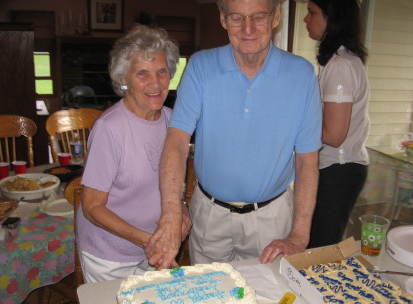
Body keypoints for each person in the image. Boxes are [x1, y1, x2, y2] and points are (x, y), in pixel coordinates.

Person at [146, 0, 323, 269]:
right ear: (223, 18)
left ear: (275, 16)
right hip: (208, 214)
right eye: (237, 17)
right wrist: (171, 213)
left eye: (258, 17)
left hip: (272, 217)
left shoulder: (302, 74)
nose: (248, 28)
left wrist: (299, 235)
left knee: (269, 302)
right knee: (210, 302)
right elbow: (177, 141)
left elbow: (307, 161)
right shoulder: (200, 66)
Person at [76, 25, 189, 283]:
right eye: (142, 74)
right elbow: (92, 207)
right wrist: (148, 241)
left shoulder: (173, 122)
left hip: (155, 248)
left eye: (162, 71)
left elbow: (172, 185)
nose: (155, 83)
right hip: (110, 256)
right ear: (123, 79)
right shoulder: (110, 128)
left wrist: (183, 213)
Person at [303, 0, 370, 248]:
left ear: (332, 17)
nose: (305, 19)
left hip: (338, 169)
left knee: (321, 249)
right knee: (320, 245)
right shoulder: (340, 61)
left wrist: (293, 126)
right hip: (339, 168)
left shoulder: (341, 66)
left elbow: (333, 135)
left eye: (312, 12)